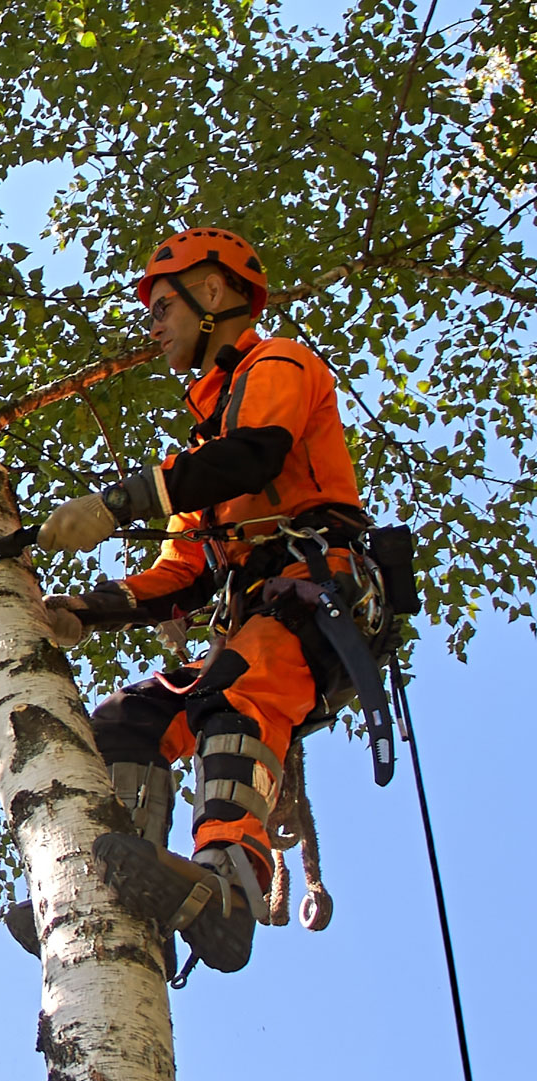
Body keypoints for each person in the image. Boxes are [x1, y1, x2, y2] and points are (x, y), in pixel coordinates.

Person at [28, 227, 369, 975]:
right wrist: (83, 610)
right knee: (125, 722)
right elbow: (181, 573)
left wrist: (117, 503)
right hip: (253, 620)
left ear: (213, 294)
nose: (153, 328)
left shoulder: (278, 365)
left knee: (233, 694)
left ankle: (230, 884)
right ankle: (117, 880)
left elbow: (255, 455)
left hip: (312, 602)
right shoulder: (202, 457)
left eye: (161, 307)